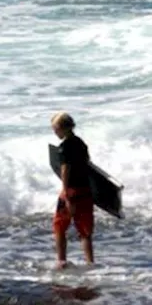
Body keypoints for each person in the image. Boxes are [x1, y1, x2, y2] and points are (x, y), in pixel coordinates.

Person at [50, 111, 95, 269]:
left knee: (59, 226)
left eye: (55, 128)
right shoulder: (81, 143)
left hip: (72, 191)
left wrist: (66, 195)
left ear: (62, 128)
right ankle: (90, 264)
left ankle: (61, 262)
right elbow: (88, 164)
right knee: (85, 231)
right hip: (86, 191)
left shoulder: (64, 147)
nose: (54, 131)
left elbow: (65, 170)